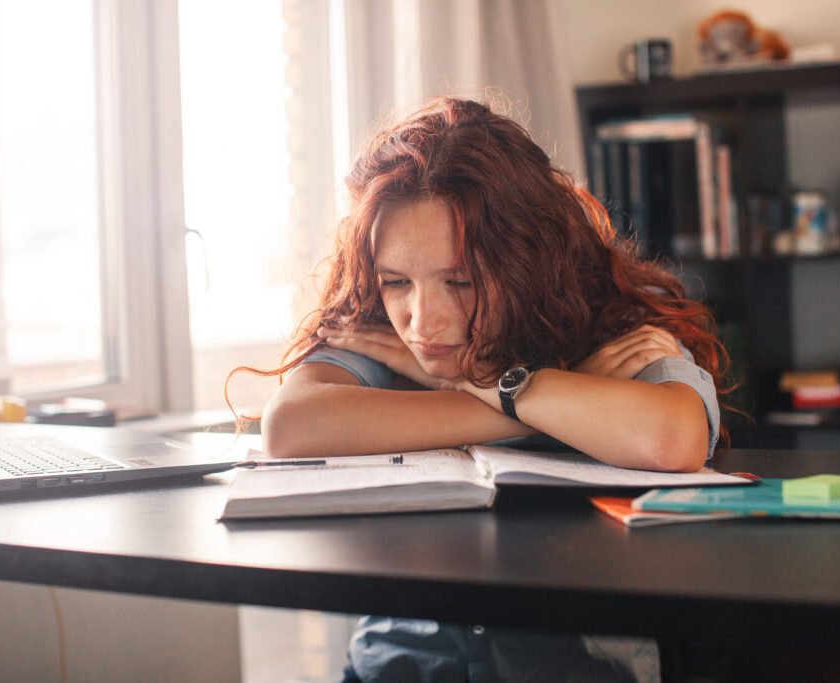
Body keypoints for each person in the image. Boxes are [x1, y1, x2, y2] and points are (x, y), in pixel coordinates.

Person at [244, 97, 729, 682]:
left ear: (528, 259)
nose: (423, 322)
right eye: (397, 281)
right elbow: (292, 425)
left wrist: (491, 383)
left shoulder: (611, 330)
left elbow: (670, 437)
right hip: (399, 663)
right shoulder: (376, 326)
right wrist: (527, 402)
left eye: (461, 281)